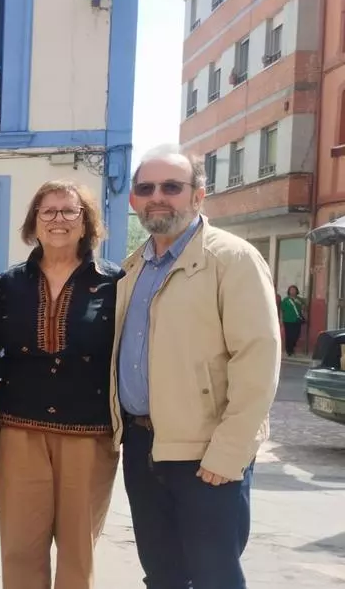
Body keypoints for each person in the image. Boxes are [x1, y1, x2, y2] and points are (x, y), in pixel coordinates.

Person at [114, 145, 281, 589]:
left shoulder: (233, 260)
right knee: (162, 575)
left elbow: (259, 360)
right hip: (143, 446)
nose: (158, 197)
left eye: (172, 186)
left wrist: (229, 452)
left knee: (214, 577)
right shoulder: (133, 268)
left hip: (206, 455)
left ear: (198, 195)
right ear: (133, 201)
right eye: (146, 188)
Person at [0, 180, 123, 589]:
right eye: (47, 212)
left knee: (77, 551)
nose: (58, 220)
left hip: (89, 432)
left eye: (69, 211)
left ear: (86, 223)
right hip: (19, 429)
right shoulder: (9, 284)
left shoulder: (116, 283)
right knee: (19, 548)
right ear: (34, 222)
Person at [280, 285, 306, 356]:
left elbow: (303, 308)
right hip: (288, 320)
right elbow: (282, 310)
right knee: (289, 335)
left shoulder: (299, 299)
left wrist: (301, 306)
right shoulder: (286, 300)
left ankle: (293, 346)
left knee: (296, 335)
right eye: (291, 290)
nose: (292, 291)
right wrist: (281, 319)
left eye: (294, 290)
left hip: (297, 320)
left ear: (296, 291)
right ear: (289, 291)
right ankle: (289, 350)